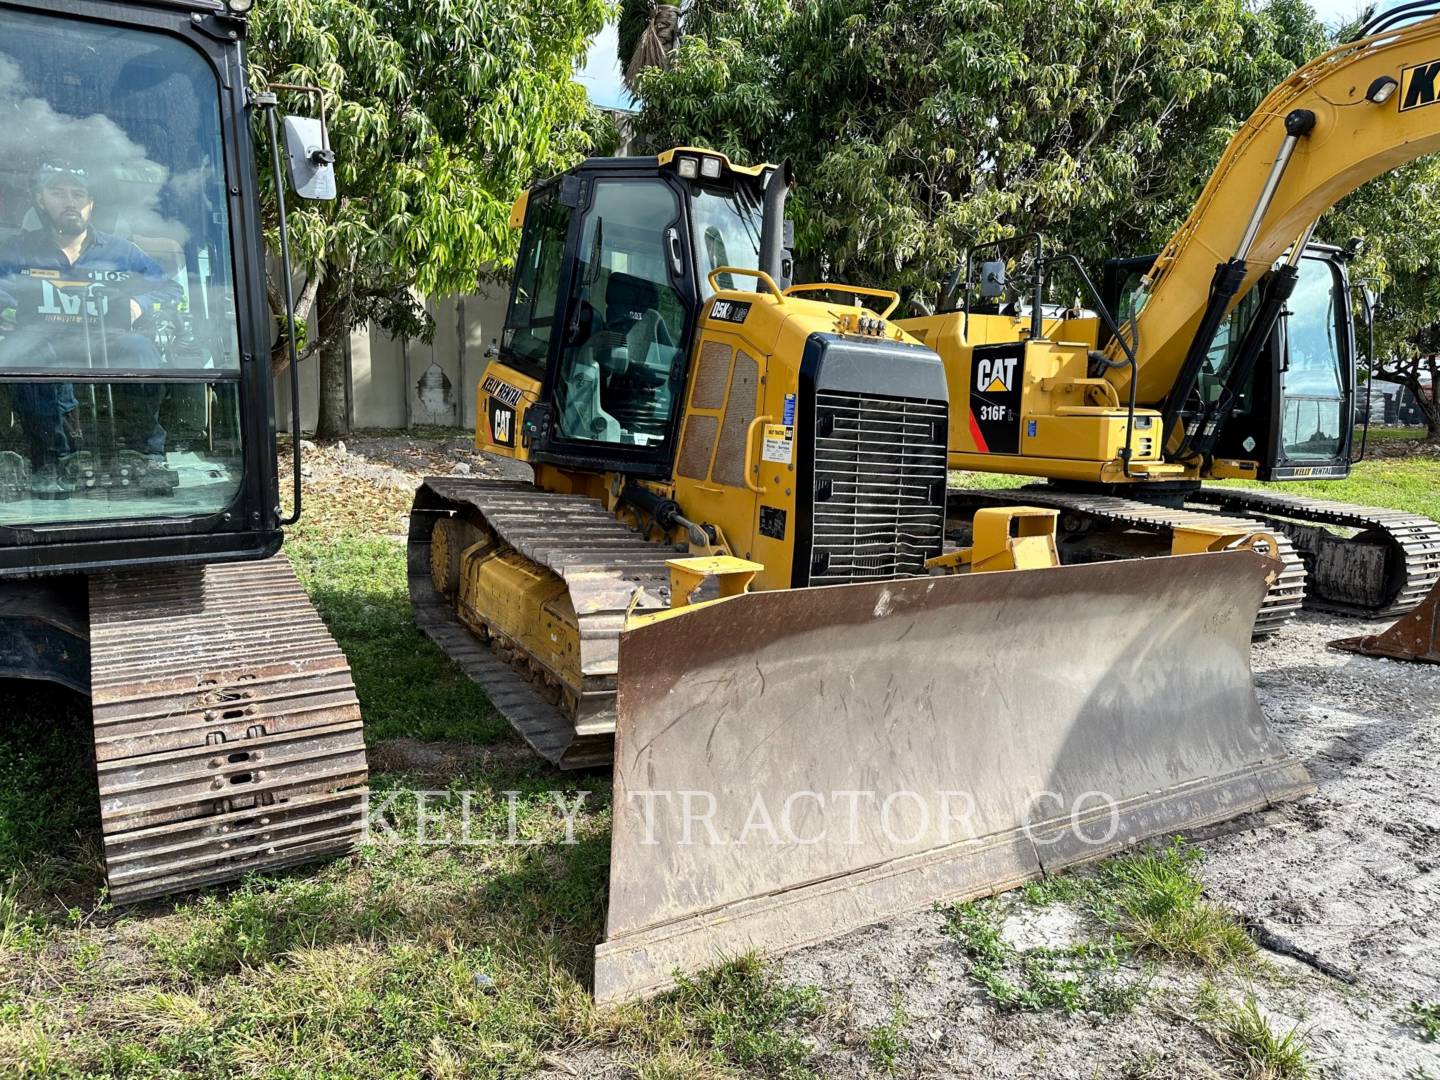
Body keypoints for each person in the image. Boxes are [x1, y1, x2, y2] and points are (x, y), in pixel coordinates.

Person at [0, 160, 181, 494]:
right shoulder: (16, 251)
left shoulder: (122, 251)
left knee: (141, 351)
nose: (70, 201)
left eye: (78, 194)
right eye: (58, 193)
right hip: (43, 342)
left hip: (108, 339)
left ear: (90, 203)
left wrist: (139, 304)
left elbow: (172, 290)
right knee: (20, 355)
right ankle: (53, 459)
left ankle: (148, 455)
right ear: (41, 200)